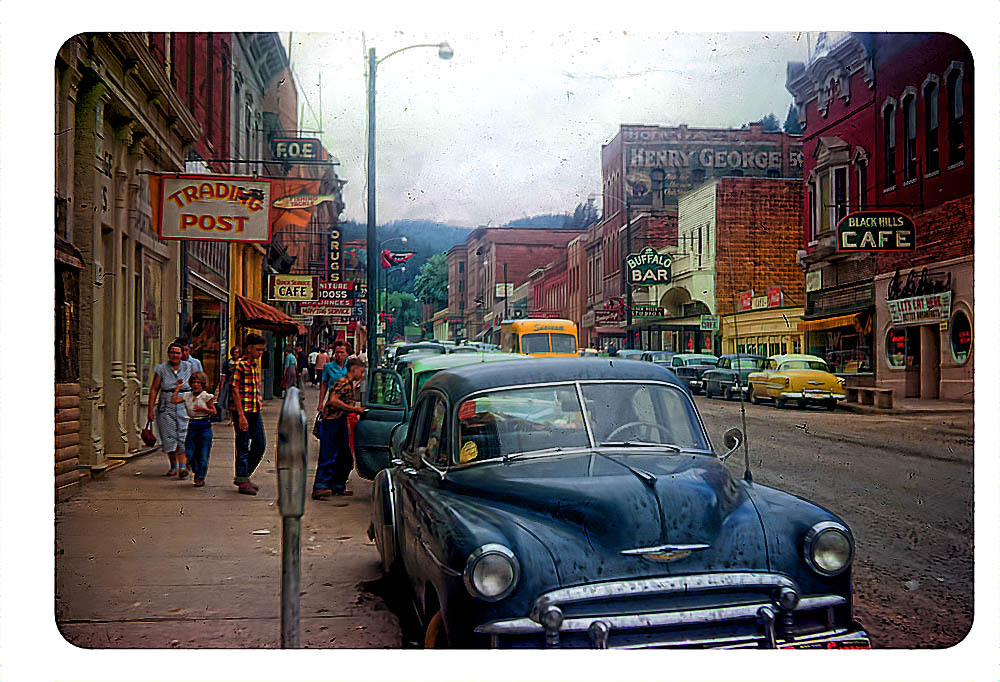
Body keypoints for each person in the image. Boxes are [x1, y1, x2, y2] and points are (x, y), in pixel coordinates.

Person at [313, 357, 365, 499]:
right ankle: (321, 486)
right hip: (331, 422)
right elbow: (333, 400)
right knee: (328, 455)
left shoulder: (349, 384)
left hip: (340, 421)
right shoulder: (342, 383)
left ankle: (337, 485)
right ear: (353, 369)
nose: (363, 374)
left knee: (345, 457)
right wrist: (354, 409)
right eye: (361, 371)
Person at [147, 341, 192, 477]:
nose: (175, 355)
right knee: (169, 436)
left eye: (177, 353)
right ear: (168, 354)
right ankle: (173, 465)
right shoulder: (161, 369)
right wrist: (150, 409)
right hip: (166, 405)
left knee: (183, 435)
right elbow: (154, 389)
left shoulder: (188, 367)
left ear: (182, 354)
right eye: (172, 352)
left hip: (184, 402)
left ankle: (183, 466)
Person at [230, 333, 267, 495]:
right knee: (243, 445)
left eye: (262, 350)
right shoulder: (240, 365)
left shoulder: (254, 366)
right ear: (249, 348)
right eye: (258, 349)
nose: (260, 353)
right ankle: (243, 480)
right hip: (243, 411)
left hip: (255, 409)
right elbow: (234, 390)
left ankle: (243, 475)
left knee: (260, 444)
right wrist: (240, 415)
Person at [172, 370, 216, 487]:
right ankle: (195, 469)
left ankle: (200, 476)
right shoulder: (187, 396)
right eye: (194, 382)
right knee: (190, 453)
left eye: (198, 382)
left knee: (203, 453)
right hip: (193, 425)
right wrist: (178, 388)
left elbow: (213, 412)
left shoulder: (206, 396)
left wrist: (204, 410)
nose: (195, 385)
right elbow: (174, 400)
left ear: (202, 384)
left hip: (204, 425)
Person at [317, 341, 349, 414]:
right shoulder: (328, 367)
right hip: (333, 400)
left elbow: (360, 376)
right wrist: (320, 403)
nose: (339, 355)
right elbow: (324, 385)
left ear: (347, 354)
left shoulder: (351, 365)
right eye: (337, 352)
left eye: (342, 352)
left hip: (347, 401)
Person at [217, 345, 240, 423]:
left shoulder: (242, 362)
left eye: (237, 352)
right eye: (234, 352)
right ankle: (231, 418)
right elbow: (224, 374)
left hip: (238, 384)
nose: (236, 354)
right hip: (229, 383)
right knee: (229, 401)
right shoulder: (228, 362)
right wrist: (222, 385)